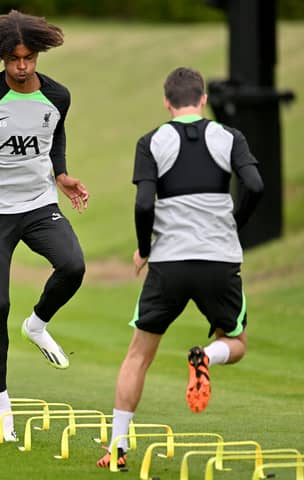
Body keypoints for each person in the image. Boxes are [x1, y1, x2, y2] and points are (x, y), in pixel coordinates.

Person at [96, 67, 264, 469]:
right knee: (236, 342)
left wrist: (143, 249)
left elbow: (143, 204)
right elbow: (255, 186)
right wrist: (232, 226)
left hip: (169, 262)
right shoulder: (229, 137)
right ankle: (205, 354)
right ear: (203, 100)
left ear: (167, 103)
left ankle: (118, 449)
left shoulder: (153, 140)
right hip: (219, 260)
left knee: (138, 356)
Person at [0, 10, 88, 440]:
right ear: (1, 59)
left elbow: (56, 134)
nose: (22, 66)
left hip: (38, 203)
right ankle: (0, 407)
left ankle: (38, 325)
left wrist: (62, 174)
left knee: (73, 266)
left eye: (29, 58)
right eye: (14, 59)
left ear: (38, 55)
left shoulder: (58, 96)